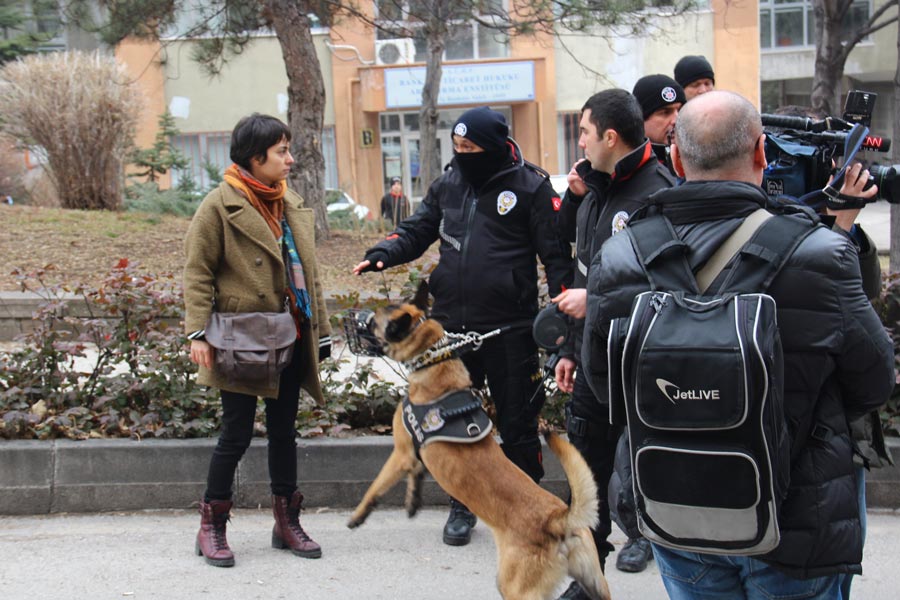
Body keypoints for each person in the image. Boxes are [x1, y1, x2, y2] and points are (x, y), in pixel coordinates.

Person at [582, 91, 895, 599]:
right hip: (796, 517)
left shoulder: (620, 255)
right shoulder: (819, 252)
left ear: (676, 158)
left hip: (673, 504)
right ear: (760, 153)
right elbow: (874, 380)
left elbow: (605, 385)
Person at [353, 106, 573, 547]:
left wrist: (564, 325)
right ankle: (463, 506)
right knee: (452, 425)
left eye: (470, 148)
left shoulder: (530, 186)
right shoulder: (449, 183)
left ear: (492, 147)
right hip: (453, 329)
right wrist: (385, 251)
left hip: (510, 330)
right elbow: (417, 229)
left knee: (518, 425)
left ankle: (523, 510)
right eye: (456, 147)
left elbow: (556, 259)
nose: (462, 154)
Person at [183, 113, 332, 567]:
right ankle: (211, 525)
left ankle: (286, 522)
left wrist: (320, 332)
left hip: (288, 334)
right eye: (281, 151)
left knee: (285, 432)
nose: (290, 159)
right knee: (236, 434)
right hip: (240, 340)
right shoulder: (219, 205)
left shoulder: (289, 202)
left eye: (288, 149)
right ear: (255, 157)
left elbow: (310, 275)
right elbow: (197, 271)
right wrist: (197, 333)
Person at [552, 89, 675, 596]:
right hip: (592, 363)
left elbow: (670, 289)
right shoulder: (593, 193)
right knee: (589, 480)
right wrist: (567, 346)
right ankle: (588, 579)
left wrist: (595, 299)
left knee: (650, 479)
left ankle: (665, 557)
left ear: (608, 135)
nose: (577, 140)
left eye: (582, 130)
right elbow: (583, 273)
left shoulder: (661, 192)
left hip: (643, 368)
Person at [631, 74, 685, 168]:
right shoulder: (628, 170)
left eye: (680, 110)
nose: (676, 120)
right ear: (641, 119)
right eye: (665, 112)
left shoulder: (695, 164)